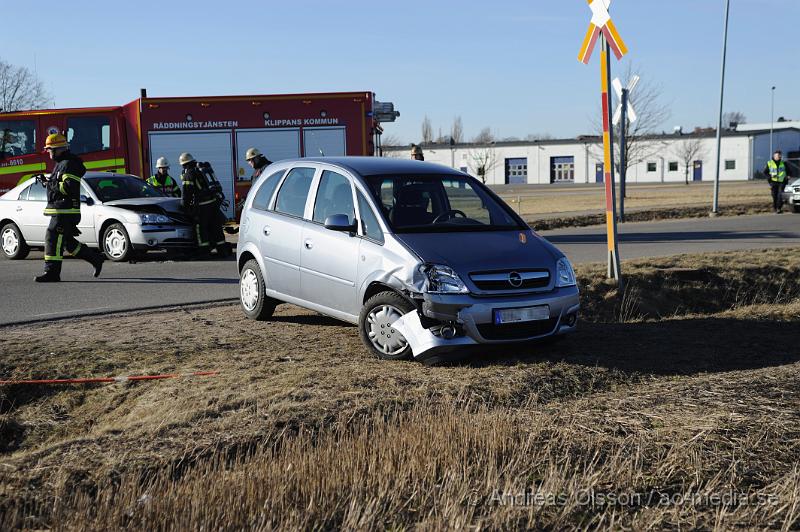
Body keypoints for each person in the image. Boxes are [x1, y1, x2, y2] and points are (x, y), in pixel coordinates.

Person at [34, 133, 105, 282]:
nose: (48, 153)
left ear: (59, 149)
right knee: (67, 242)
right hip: (62, 209)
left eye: (50, 150)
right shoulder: (62, 163)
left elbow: (69, 188)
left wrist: (50, 184)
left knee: (52, 237)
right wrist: (49, 182)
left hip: (65, 210)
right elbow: (61, 184)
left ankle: (52, 272)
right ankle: (95, 258)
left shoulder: (68, 164)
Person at [179, 152, 231, 257]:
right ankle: (223, 251)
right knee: (216, 228)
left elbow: (186, 194)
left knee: (200, 229)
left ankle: (204, 252)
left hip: (202, 207)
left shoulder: (188, 175)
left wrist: (184, 207)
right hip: (214, 204)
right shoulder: (202, 170)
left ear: (184, 164)